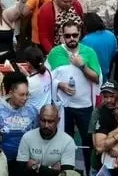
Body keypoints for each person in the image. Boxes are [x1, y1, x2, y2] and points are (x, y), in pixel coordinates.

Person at [46, 18, 100, 175]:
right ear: (62, 35)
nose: (71, 39)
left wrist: (82, 65)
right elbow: (47, 77)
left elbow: (97, 78)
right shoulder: (55, 53)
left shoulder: (89, 52)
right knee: (64, 143)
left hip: (84, 106)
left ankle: (91, 172)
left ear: (80, 34)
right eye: (68, 35)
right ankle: (66, 173)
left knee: (88, 143)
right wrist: (59, 85)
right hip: (63, 108)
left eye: (75, 35)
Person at [0, 71, 39, 162]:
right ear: (11, 93)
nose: (25, 98)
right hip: (0, 160)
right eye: (21, 95)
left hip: (25, 161)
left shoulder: (32, 111)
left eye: (27, 94)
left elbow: (36, 135)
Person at [15, 104, 76, 176]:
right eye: (43, 120)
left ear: (58, 120)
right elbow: (20, 169)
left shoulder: (68, 141)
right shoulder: (27, 137)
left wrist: (36, 167)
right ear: (38, 118)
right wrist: (53, 172)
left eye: (50, 121)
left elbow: (67, 173)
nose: (46, 125)